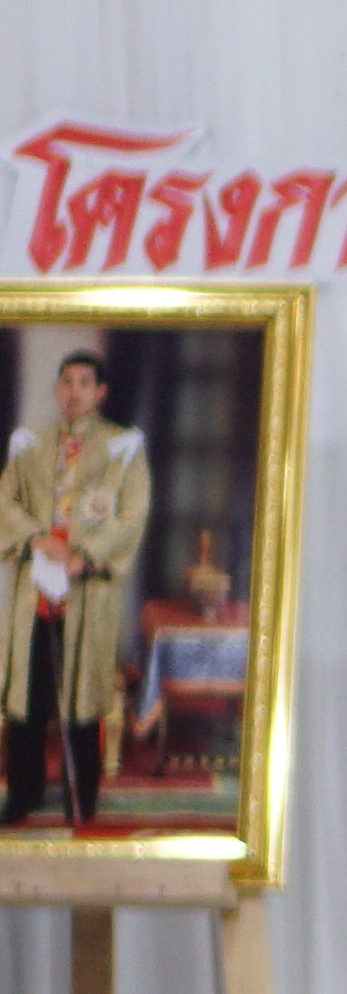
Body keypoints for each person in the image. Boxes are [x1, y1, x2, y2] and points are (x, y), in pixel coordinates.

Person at [0, 353, 149, 829]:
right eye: (66, 382)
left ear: (101, 391)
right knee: (28, 696)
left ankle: (79, 798)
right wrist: (33, 538)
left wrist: (88, 556)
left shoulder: (122, 448)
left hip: (87, 589)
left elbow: (131, 514)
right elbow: (5, 499)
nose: (74, 392)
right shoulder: (31, 445)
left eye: (85, 383)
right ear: (56, 388)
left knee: (83, 695)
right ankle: (22, 793)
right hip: (36, 588)